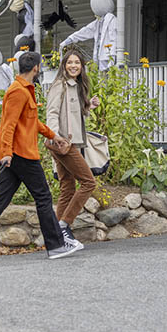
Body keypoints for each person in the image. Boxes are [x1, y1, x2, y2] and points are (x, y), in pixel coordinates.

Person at [0, 51, 83, 265]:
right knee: (43, 197)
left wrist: (54, 136)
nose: (40, 68)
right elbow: (8, 125)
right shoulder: (18, 92)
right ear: (35, 68)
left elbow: (31, 122)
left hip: (16, 155)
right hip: (20, 155)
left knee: (0, 201)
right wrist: (6, 153)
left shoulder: (25, 90)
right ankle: (56, 245)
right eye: (40, 65)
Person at [46, 47, 100, 243]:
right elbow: (51, 113)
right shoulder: (59, 85)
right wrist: (56, 136)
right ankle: (64, 224)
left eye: (77, 63)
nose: (73, 66)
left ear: (81, 66)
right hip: (62, 143)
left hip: (69, 142)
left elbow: (74, 113)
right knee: (89, 182)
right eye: (70, 62)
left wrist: (88, 106)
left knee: (67, 187)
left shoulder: (76, 86)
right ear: (64, 65)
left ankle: (57, 237)